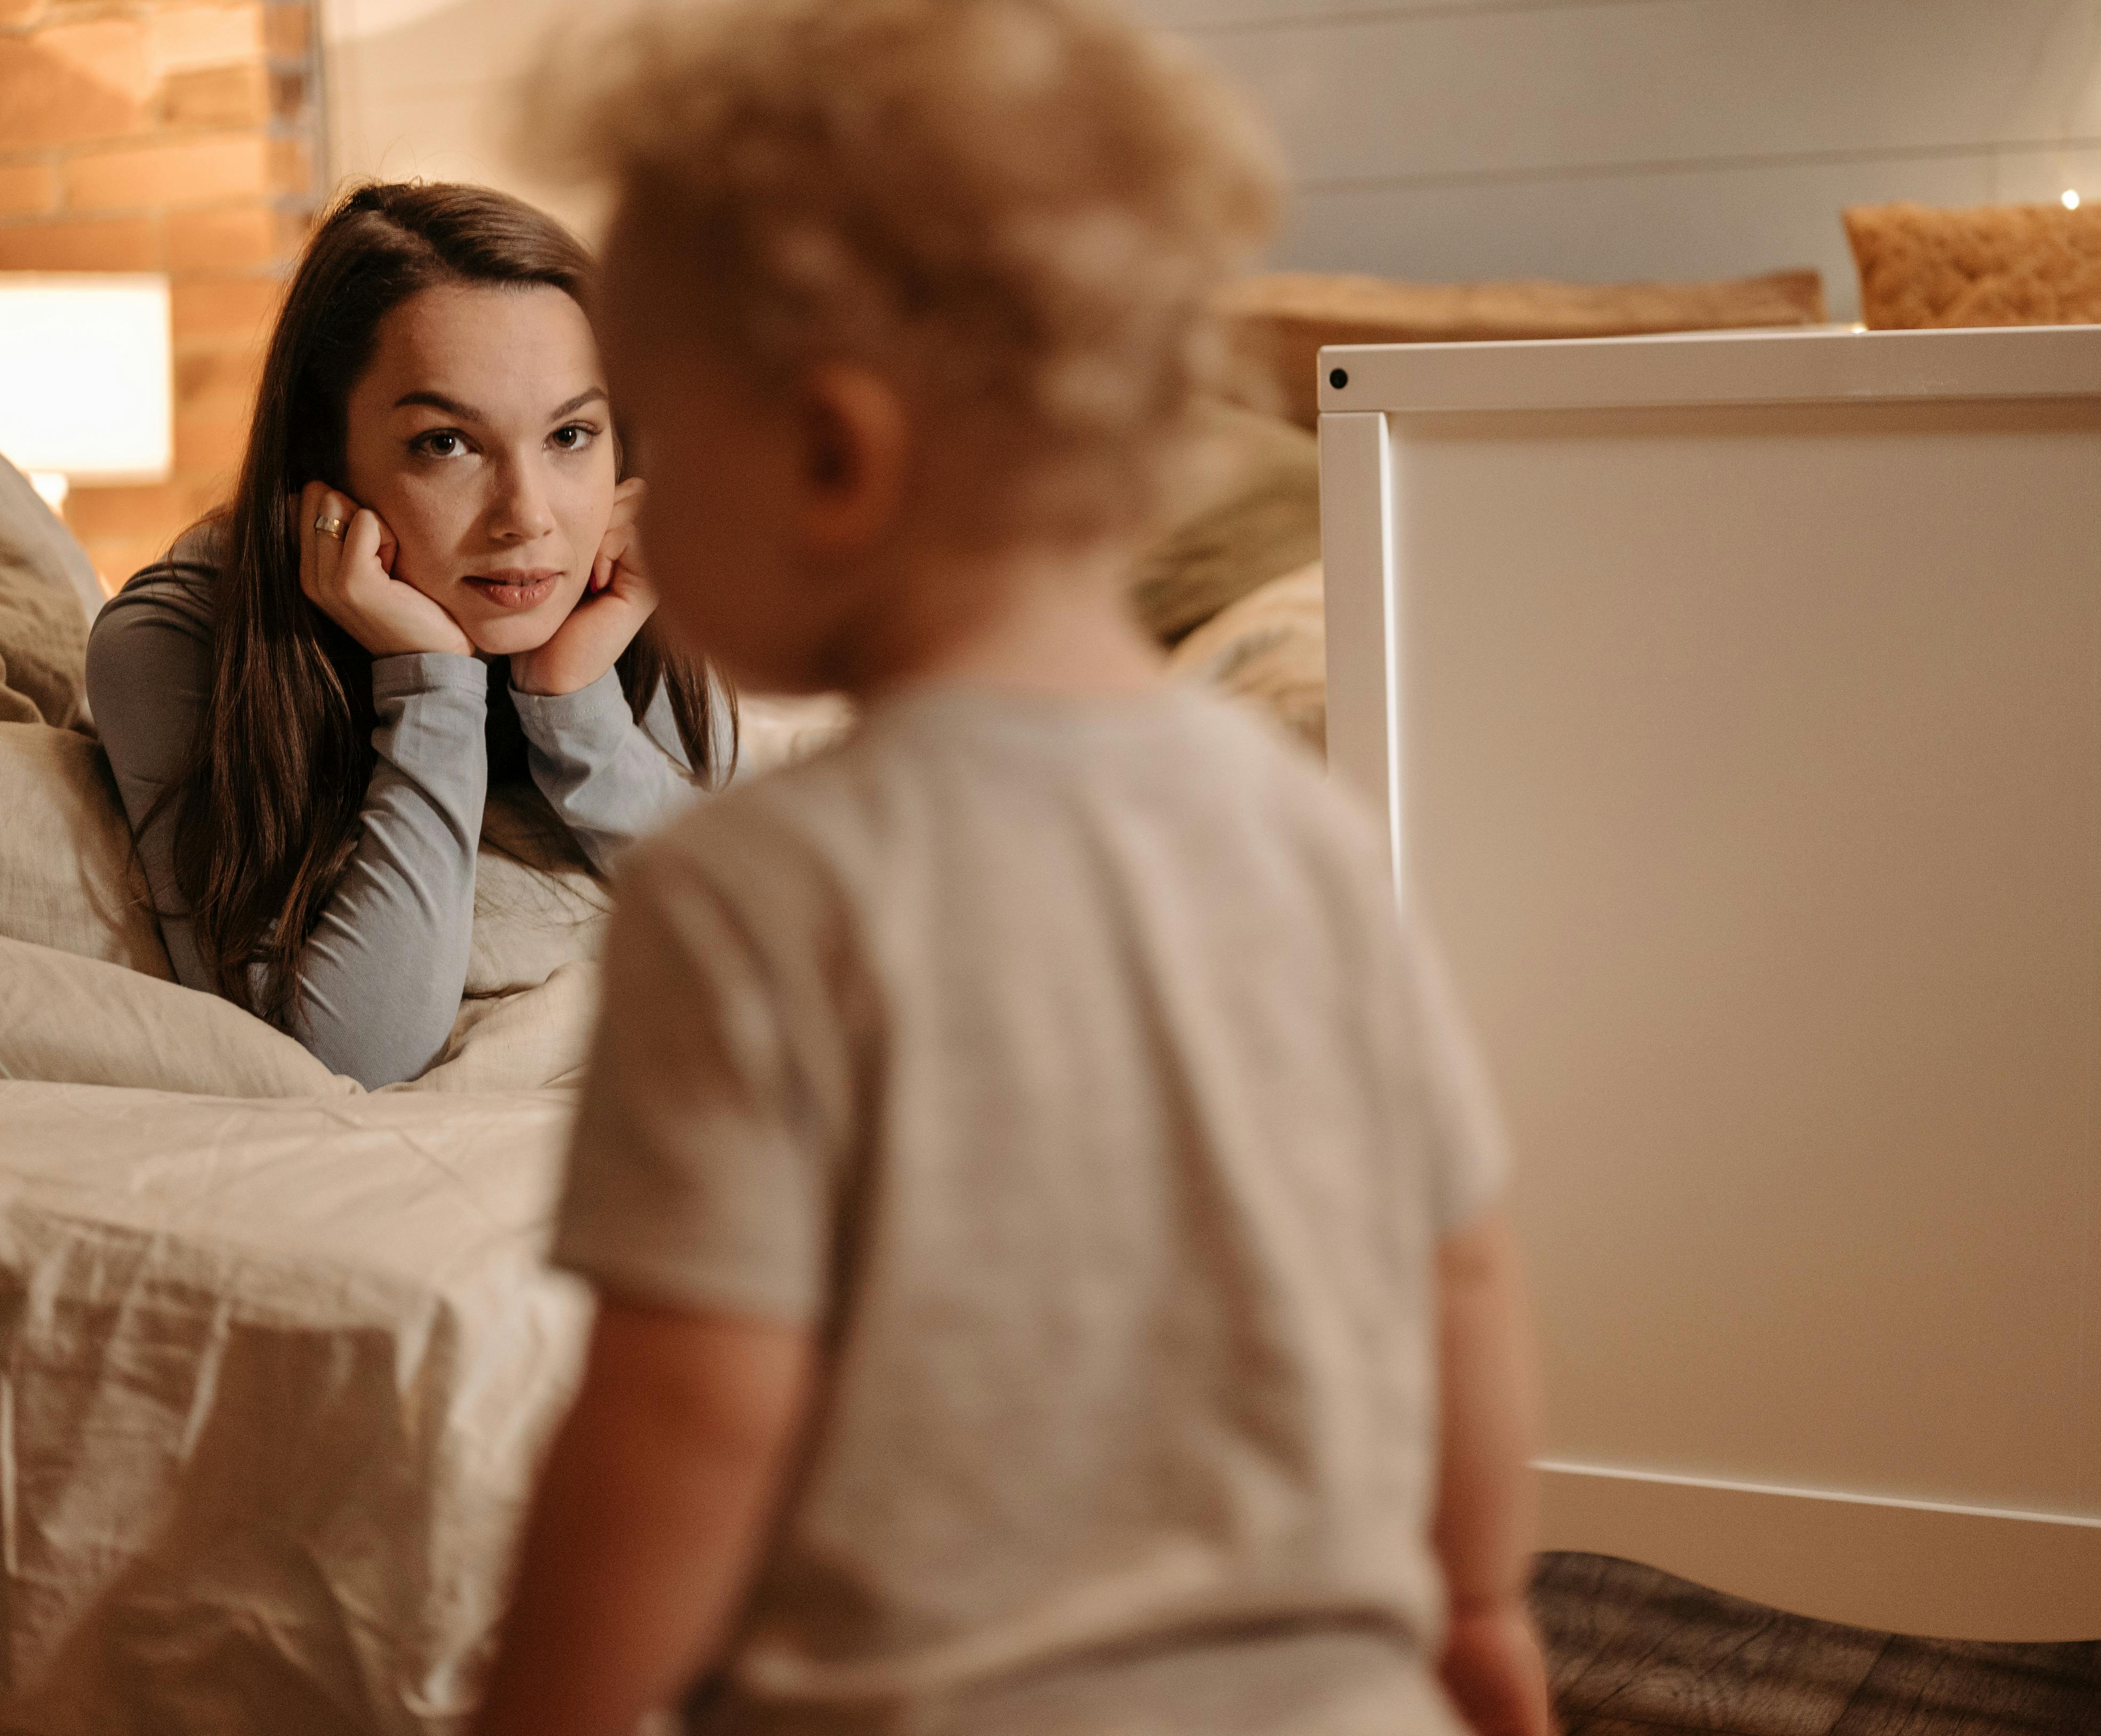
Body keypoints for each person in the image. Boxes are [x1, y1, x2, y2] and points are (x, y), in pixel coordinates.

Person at [477, 2, 1549, 1733]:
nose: (624, 518)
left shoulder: (755, 889)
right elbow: (1462, 1264)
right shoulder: (1306, 827)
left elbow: (687, 1409)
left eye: (648, 440)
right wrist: (1483, 1599)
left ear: (833, 457)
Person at [87, 182, 730, 1090]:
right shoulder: (171, 642)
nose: (529, 517)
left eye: (571, 434)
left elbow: (749, 909)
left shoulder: (632, 579)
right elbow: (350, 1056)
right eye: (445, 445)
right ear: (324, 457)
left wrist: (575, 702)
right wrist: (431, 686)